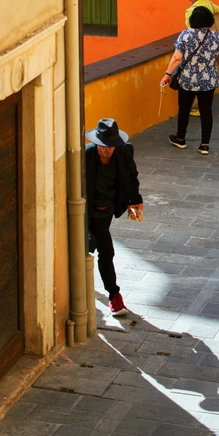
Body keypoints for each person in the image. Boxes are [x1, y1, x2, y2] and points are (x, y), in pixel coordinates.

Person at [85, 118, 143, 316]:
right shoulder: (86, 155)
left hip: (109, 208)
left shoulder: (124, 151)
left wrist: (136, 201)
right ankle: (114, 295)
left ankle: (79, 269)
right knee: (106, 250)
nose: (108, 150)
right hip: (88, 210)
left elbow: (132, 176)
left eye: (112, 146)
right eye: (104, 146)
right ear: (96, 143)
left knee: (91, 244)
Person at [161, 6, 219, 155]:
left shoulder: (186, 35)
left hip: (187, 79)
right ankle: (204, 145)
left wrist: (168, 74)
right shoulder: (217, 37)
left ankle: (180, 138)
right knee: (206, 111)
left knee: (184, 109)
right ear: (210, 20)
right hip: (208, 79)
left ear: (193, 20)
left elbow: (177, 58)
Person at [184, 0, 219, 116]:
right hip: (210, 44)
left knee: (196, 78)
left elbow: (191, 28)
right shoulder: (209, 3)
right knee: (207, 74)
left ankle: (199, 108)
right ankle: (203, 108)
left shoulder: (192, 10)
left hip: (198, 46)